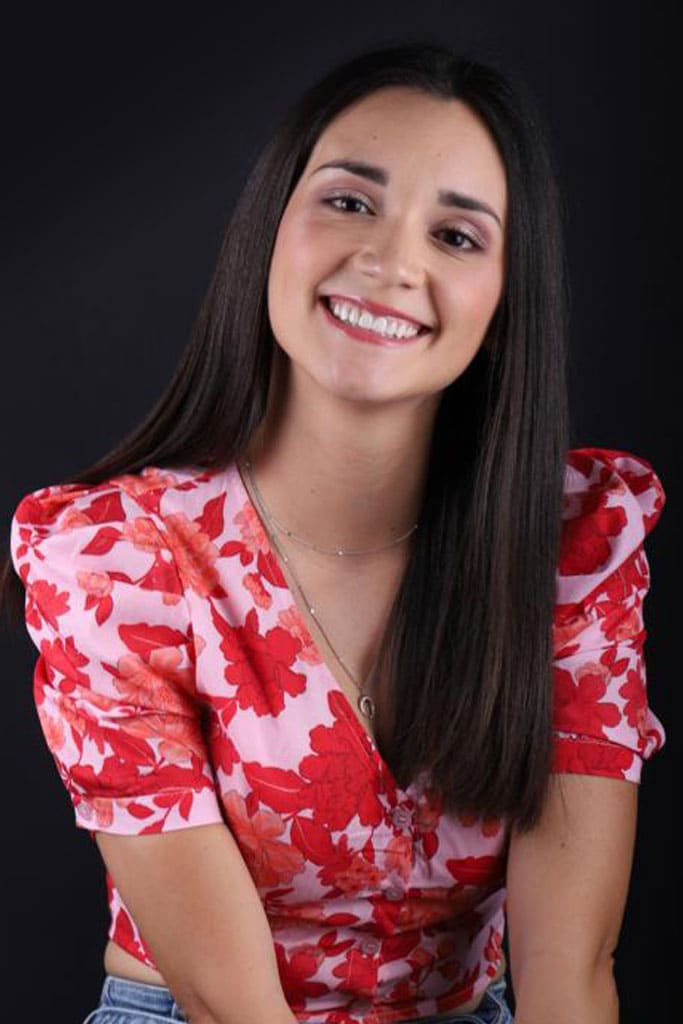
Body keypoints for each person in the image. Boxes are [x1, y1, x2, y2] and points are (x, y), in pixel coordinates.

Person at [2, 40, 667, 1024]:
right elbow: (228, 1002)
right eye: (349, 201)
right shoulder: (115, 559)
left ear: (503, 298)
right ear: (270, 225)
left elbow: (567, 979)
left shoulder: (570, 538)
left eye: (455, 236)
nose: (389, 262)